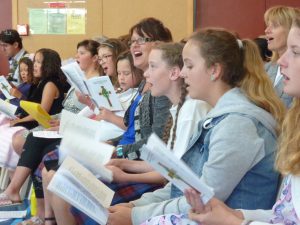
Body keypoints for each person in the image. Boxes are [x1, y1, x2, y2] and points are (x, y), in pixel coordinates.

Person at [106, 28, 285, 225]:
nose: (183, 73)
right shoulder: (221, 117)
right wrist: (135, 206)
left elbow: (202, 200)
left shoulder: (237, 124)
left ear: (214, 70)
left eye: (189, 66)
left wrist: (135, 215)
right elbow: (184, 186)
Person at [184, 15, 300, 225]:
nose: (281, 60)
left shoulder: (237, 122)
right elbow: (286, 215)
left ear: (214, 70)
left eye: (296, 52)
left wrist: (233, 221)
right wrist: (240, 215)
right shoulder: (296, 124)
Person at [264, 6, 300, 107]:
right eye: (267, 25)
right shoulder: (265, 69)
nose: (266, 30)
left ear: (291, 30)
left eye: (274, 25)